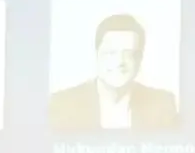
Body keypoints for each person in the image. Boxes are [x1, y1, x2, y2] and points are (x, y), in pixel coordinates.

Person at [49, 14, 179, 131]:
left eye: (128, 53)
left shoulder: (162, 104)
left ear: (139, 59)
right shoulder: (63, 105)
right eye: (111, 53)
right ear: (96, 55)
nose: (119, 62)